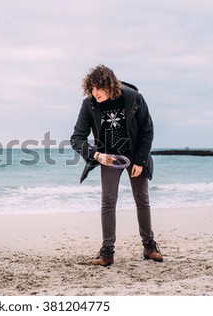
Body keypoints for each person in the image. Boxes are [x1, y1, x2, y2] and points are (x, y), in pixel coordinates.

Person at [70, 64, 163, 266]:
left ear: (110, 85)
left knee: (142, 200)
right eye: (92, 89)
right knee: (108, 201)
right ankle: (107, 253)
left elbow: (147, 130)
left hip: (135, 155)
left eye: (100, 88)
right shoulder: (89, 104)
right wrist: (96, 154)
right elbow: (77, 138)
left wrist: (140, 160)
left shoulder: (133, 98)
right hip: (109, 157)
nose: (96, 94)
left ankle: (149, 246)